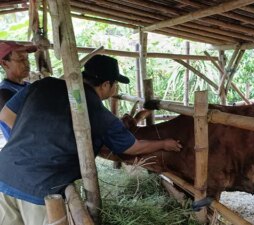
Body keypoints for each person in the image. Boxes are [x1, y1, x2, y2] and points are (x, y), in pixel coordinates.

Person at [0, 55, 182, 225]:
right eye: (115, 84)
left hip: (4, 173)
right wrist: (164, 143)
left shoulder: (43, 85)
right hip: (40, 189)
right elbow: (132, 147)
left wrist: (36, 136)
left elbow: (5, 114)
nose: (115, 89)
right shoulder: (97, 112)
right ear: (105, 85)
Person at [0, 41, 37, 110]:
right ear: (5, 63)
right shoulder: (4, 93)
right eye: (21, 59)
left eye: (27, 59)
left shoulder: (29, 86)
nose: (26, 63)